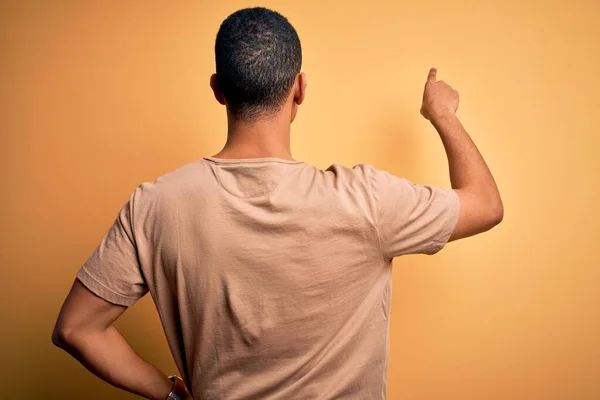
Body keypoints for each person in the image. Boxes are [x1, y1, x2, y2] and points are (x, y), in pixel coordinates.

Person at [52, 6, 503, 400]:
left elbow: (76, 329)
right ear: (300, 89)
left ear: (217, 89)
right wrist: (443, 114)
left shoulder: (154, 206)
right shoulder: (366, 200)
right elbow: (485, 204)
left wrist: (168, 392)